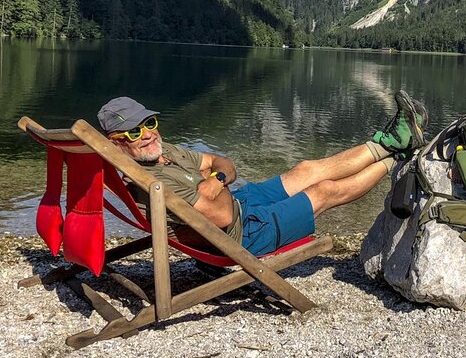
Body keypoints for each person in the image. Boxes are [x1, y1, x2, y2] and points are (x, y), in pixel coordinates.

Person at [97, 93, 428, 256]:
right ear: (114, 142)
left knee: (307, 170)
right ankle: (399, 160)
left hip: (241, 202)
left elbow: (221, 162)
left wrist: (216, 180)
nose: (147, 134)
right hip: (241, 235)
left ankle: (390, 143)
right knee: (323, 190)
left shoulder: (163, 152)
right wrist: (213, 180)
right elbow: (223, 216)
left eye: (149, 123)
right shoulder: (150, 183)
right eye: (132, 132)